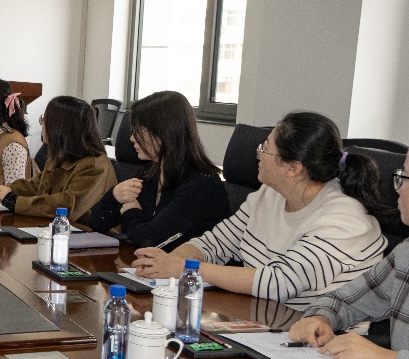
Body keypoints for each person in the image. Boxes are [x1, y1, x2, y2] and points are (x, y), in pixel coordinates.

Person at [132, 111, 389, 310]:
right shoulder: (270, 194)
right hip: (261, 317)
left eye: (265, 148)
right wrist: (166, 265)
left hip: (323, 339)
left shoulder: (344, 218)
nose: (258, 154)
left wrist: (184, 268)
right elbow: (215, 243)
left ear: (292, 168)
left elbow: (278, 283)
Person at [289, 131, 409, 359]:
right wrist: (320, 318)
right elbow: (344, 300)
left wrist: (385, 358)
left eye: (404, 177)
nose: (398, 189)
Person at [89, 91, 230, 249]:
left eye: (139, 131)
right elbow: (97, 222)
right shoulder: (150, 174)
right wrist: (114, 195)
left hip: (188, 265)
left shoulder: (201, 185)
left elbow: (149, 241)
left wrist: (131, 212)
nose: (132, 138)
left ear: (163, 133)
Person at [0, 96, 115, 223]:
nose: (42, 124)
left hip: (84, 231)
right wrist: (2, 190)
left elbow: (67, 205)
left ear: (60, 127)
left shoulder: (94, 166)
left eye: (45, 119)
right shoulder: (60, 155)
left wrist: (15, 202)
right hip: (56, 227)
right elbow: (38, 185)